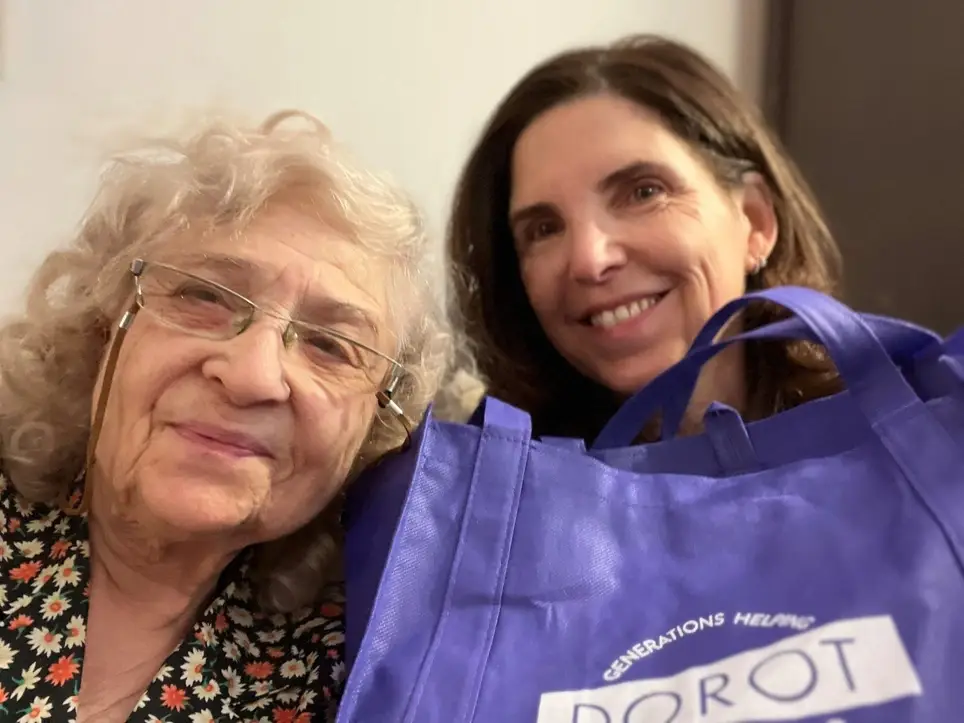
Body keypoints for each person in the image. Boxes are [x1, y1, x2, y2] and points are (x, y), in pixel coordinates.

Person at [0, 110, 449, 722]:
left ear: (376, 430)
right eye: (202, 296)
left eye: (330, 346)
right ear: (104, 329)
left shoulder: (369, 674)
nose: (252, 375)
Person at [445, 34, 843, 440]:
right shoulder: (485, 480)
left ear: (754, 220)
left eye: (644, 193)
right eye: (544, 229)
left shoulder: (896, 441)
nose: (589, 260)